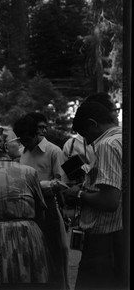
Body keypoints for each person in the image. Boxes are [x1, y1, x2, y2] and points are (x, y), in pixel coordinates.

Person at [61, 101, 124, 290]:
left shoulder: (107, 145)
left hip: (104, 241)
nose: (87, 142)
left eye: (85, 135)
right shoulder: (122, 138)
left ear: (92, 124)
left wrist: (78, 193)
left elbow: (109, 201)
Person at [0, 126, 52, 283]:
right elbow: (41, 211)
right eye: (17, 141)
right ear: (6, 146)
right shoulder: (28, 172)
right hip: (28, 236)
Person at [14, 113, 69, 289]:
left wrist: (36, 185)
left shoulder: (54, 151)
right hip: (26, 208)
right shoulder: (22, 152)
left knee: (55, 252)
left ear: (37, 134)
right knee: (34, 253)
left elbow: (62, 183)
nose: (24, 143)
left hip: (48, 207)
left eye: (27, 139)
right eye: (21, 140)